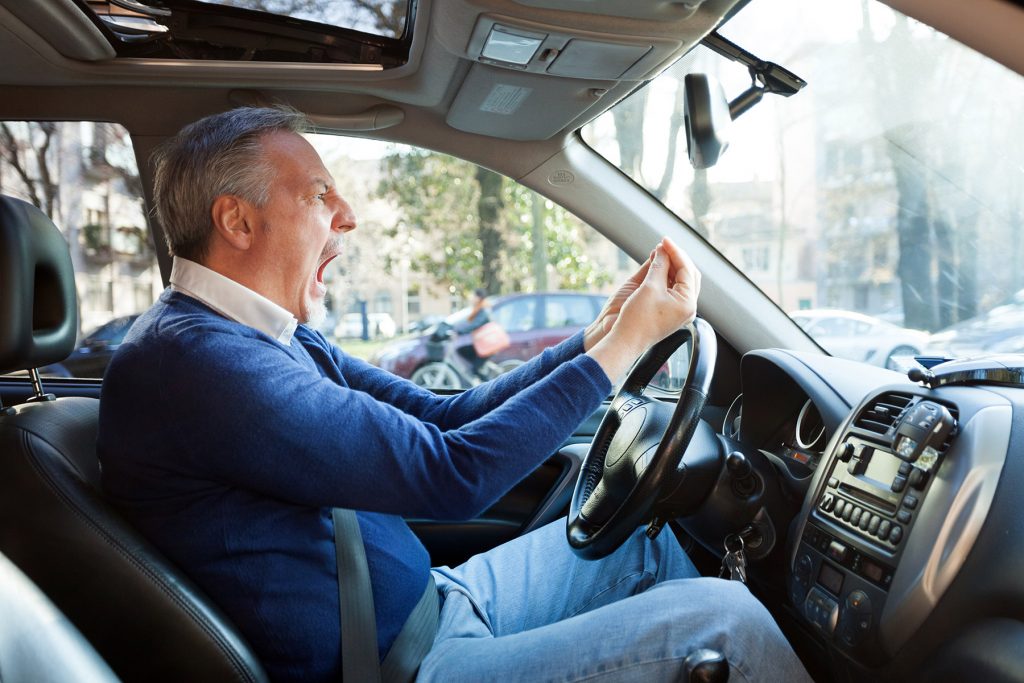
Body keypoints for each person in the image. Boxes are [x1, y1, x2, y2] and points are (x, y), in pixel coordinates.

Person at [97, 107, 810, 683]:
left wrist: (600, 339)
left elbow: (444, 417)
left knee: (644, 546)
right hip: (412, 667)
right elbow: (451, 472)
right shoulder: (198, 364)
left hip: (437, 607)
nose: (346, 215)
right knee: (728, 624)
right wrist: (625, 350)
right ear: (238, 221)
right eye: (318, 194)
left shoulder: (261, 336)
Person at [455, 288, 493, 381]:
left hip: (487, 344)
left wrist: (459, 331)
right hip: (483, 343)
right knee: (461, 350)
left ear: (478, 298)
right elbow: (468, 322)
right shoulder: (478, 309)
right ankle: (478, 367)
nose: (471, 298)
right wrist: (456, 328)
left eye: (473, 296)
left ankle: (489, 384)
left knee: (474, 369)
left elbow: (475, 324)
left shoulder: (483, 310)